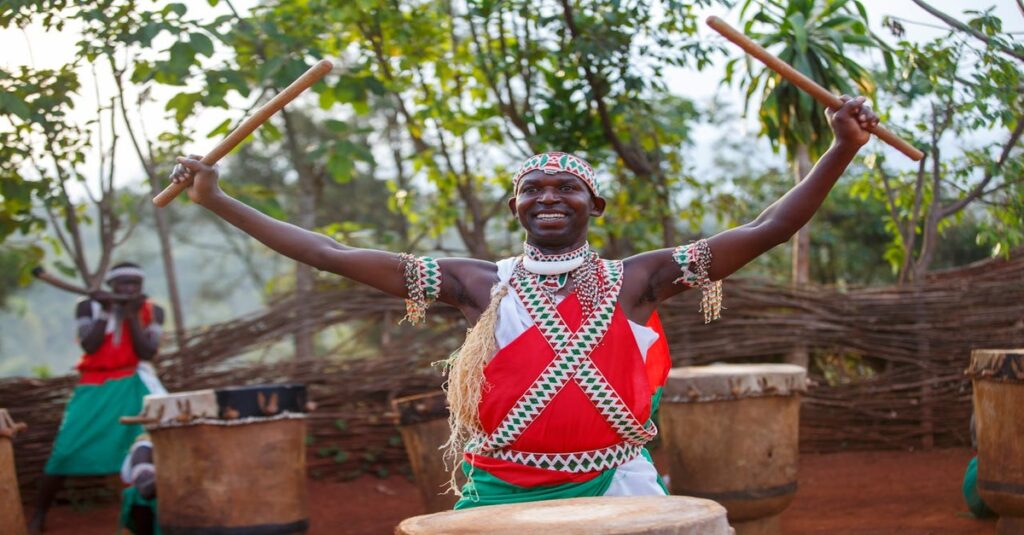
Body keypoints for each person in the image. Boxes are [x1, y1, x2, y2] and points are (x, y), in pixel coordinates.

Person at [169, 95, 879, 508]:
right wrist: (219, 199)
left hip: (616, 487)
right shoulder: (475, 283)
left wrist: (841, 148)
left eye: (565, 187)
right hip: (497, 491)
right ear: (515, 206)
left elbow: (767, 228)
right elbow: (328, 252)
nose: (548, 196)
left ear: (593, 203)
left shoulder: (641, 279)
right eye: (532, 189)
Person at [29, 263, 166, 533]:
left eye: (134, 285)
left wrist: (130, 316)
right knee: (66, 448)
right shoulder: (87, 307)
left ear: (141, 287)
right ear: (111, 287)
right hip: (95, 384)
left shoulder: (153, 310)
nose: (128, 289)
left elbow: (147, 352)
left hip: (135, 383)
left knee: (153, 443)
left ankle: (151, 513)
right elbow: (89, 345)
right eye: (122, 284)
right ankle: (38, 514)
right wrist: (106, 310)